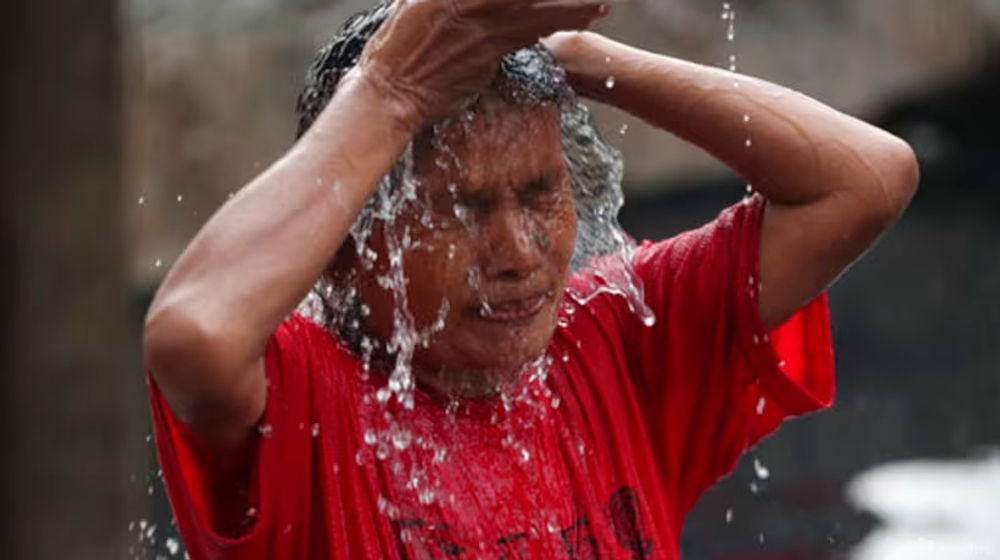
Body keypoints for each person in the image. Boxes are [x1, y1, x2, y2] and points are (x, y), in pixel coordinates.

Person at [142, 0, 919, 558]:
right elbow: (191, 332)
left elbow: (868, 179)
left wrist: (573, 55)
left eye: (541, 192)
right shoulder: (302, 402)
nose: (518, 252)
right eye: (462, 208)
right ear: (348, 249)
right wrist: (390, 90)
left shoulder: (620, 335)